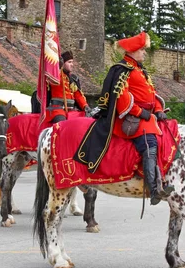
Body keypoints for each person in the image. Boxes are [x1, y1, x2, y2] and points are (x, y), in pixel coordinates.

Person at [74, 31, 174, 205]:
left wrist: (158, 110)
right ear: (134, 51)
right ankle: (154, 188)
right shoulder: (123, 70)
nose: (144, 53)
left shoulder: (140, 70)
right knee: (149, 143)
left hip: (148, 117)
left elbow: (153, 94)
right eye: (142, 50)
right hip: (131, 119)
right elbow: (121, 100)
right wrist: (142, 113)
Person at [45, 51, 91, 123]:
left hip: (72, 110)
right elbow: (51, 79)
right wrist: (58, 68)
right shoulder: (56, 75)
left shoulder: (73, 79)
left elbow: (78, 95)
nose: (72, 64)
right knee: (61, 125)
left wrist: (85, 106)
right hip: (57, 110)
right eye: (69, 62)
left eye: (72, 62)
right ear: (63, 63)